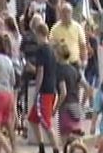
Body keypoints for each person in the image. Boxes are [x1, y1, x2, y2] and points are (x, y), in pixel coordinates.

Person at [27, 22, 61, 153]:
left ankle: (56, 148)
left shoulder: (41, 50)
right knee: (33, 119)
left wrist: (37, 89)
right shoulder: (51, 50)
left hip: (44, 90)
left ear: (40, 34)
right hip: (51, 87)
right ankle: (41, 146)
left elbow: (40, 71)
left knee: (46, 123)